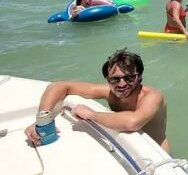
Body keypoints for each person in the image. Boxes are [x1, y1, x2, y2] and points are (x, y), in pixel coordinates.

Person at [24, 48, 170, 152]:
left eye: (129, 77)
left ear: (139, 76)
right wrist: (42, 121)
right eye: (115, 79)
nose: (122, 84)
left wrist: (92, 115)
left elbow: (133, 122)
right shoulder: (109, 92)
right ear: (107, 79)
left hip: (157, 153)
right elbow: (59, 86)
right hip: (130, 149)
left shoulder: (152, 96)